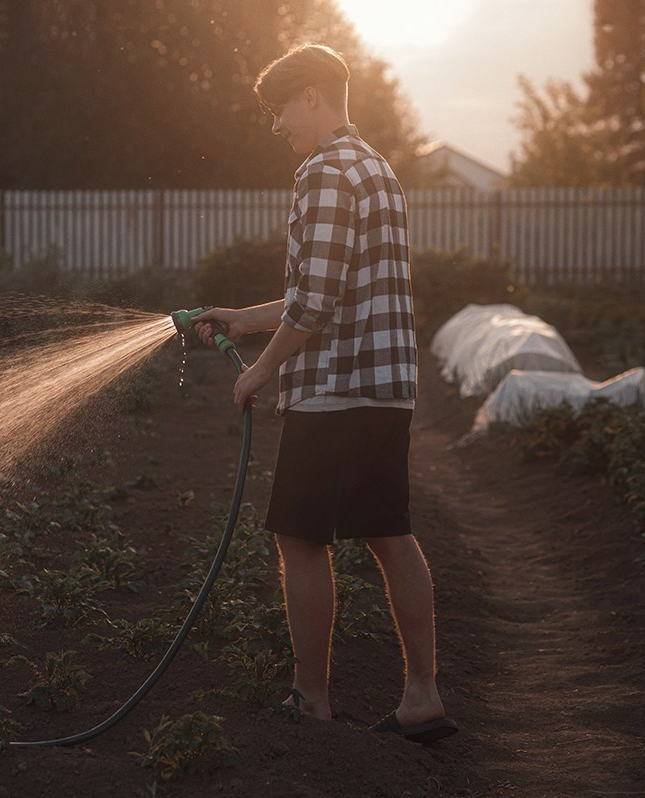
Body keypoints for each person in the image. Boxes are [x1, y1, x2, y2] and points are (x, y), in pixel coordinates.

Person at [194, 43, 457, 744]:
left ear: (312, 94)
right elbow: (325, 285)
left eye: (280, 109)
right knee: (388, 532)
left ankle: (311, 699)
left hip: (335, 389)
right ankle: (422, 696)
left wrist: (258, 371)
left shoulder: (325, 170)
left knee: (299, 536)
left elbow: (314, 302)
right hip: (384, 387)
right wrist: (244, 320)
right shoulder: (375, 167)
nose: (278, 125)